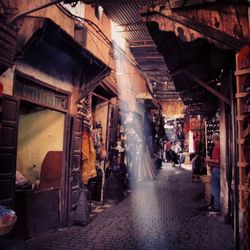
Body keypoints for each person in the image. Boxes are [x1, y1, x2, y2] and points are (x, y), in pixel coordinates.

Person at [205, 133, 220, 213]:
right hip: (217, 169)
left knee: (215, 188)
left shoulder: (217, 147)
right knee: (216, 188)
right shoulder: (220, 146)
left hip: (216, 170)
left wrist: (208, 160)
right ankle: (216, 204)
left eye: (212, 139)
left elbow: (217, 161)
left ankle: (217, 206)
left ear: (214, 139)